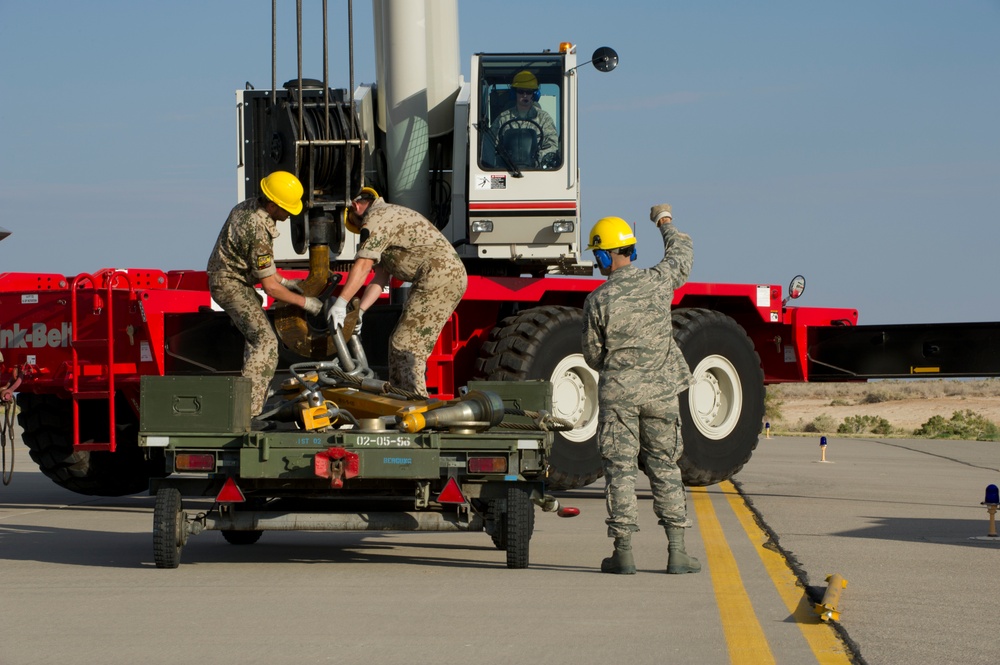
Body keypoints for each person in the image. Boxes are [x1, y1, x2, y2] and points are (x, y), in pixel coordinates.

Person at [581, 205, 701, 575]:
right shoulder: (658, 281)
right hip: (661, 393)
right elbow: (682, 253)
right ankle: (677, 553)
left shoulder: (597, 300)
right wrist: (664, 220)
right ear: (630, 250)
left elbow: (592, 354)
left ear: (603, 254)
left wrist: (620, 371)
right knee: (665, 466)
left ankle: (624, 554)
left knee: (620, 470)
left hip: (619, 396)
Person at [329, 187, 467, 397]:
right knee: (399, 341)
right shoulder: (389, 215)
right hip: (440, 275)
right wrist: (361, 312)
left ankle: (416, 404)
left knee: (406, 344)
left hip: (439, 275)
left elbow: (364, 264)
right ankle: (402, 400)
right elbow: (380, 276)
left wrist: (340, 302)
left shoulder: (376, 218)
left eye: (356, 226)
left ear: (355, 207)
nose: (360, 229)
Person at [207, 170, 323, 416]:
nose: (289, 214)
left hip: (233, 279)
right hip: (230, 285)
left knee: (256, 337)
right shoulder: (258, 229)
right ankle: (247, 413)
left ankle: (249, 401)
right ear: (272, 205)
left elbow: (258, 267)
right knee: (266, 342)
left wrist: (285, 281)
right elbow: (269, 287)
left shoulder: (247, 207)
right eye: (285, 209)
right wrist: (305, 303)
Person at [489, 70, 558, 168]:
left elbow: (552, 145)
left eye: (529, 92)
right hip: (506, 170)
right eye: (521, 91)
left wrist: (537, 159)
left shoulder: (544, 118)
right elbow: (490, 144)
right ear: (514, 93)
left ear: (534, 94)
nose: (525, 95)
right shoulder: (503, 118)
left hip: (537, 172)